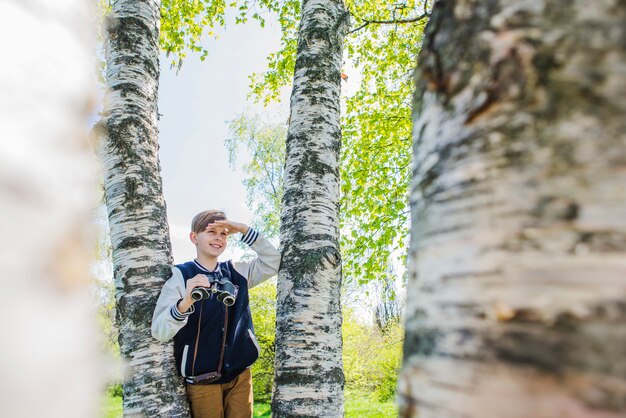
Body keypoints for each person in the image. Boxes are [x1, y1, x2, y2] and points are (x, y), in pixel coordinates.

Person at [152, 210, 280, 418]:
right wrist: (185, 302)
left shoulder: (236, 271)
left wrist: (243, 229)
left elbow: (273, 261)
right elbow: (159, 331)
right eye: (211, 232)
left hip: (240, 375)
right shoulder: (181, 275)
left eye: (224, 234)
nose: (218, 238)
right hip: (202, 380)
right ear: (194, 237)